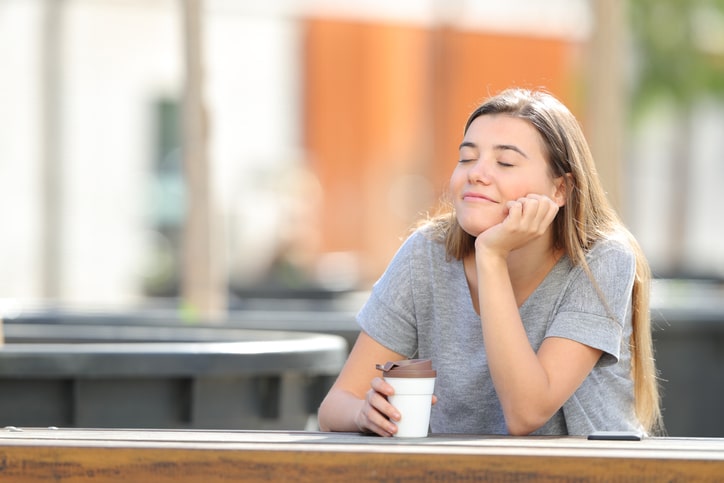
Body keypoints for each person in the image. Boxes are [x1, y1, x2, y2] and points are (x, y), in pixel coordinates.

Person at [317, 87, 663, 437]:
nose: (476, 173)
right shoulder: (425, 254)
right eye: (467, 158)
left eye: (505, 162)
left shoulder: (602, 259)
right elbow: (335, 404)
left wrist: (492, 256)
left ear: (560, 189)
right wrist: (365, 413)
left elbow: (526, 413)